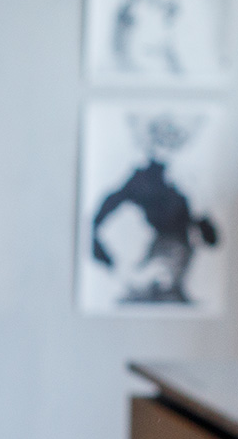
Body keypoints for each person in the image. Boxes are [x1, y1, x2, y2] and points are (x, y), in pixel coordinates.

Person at [89, 113, 219, 305]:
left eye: (173, 142)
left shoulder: (188, 183)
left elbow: (212, 239)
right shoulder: (142, 179)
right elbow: (97, 221)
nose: (167, 149)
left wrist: (199, 203)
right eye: (161, 141)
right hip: (151, 260)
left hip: (179, 262)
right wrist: (115, 265)